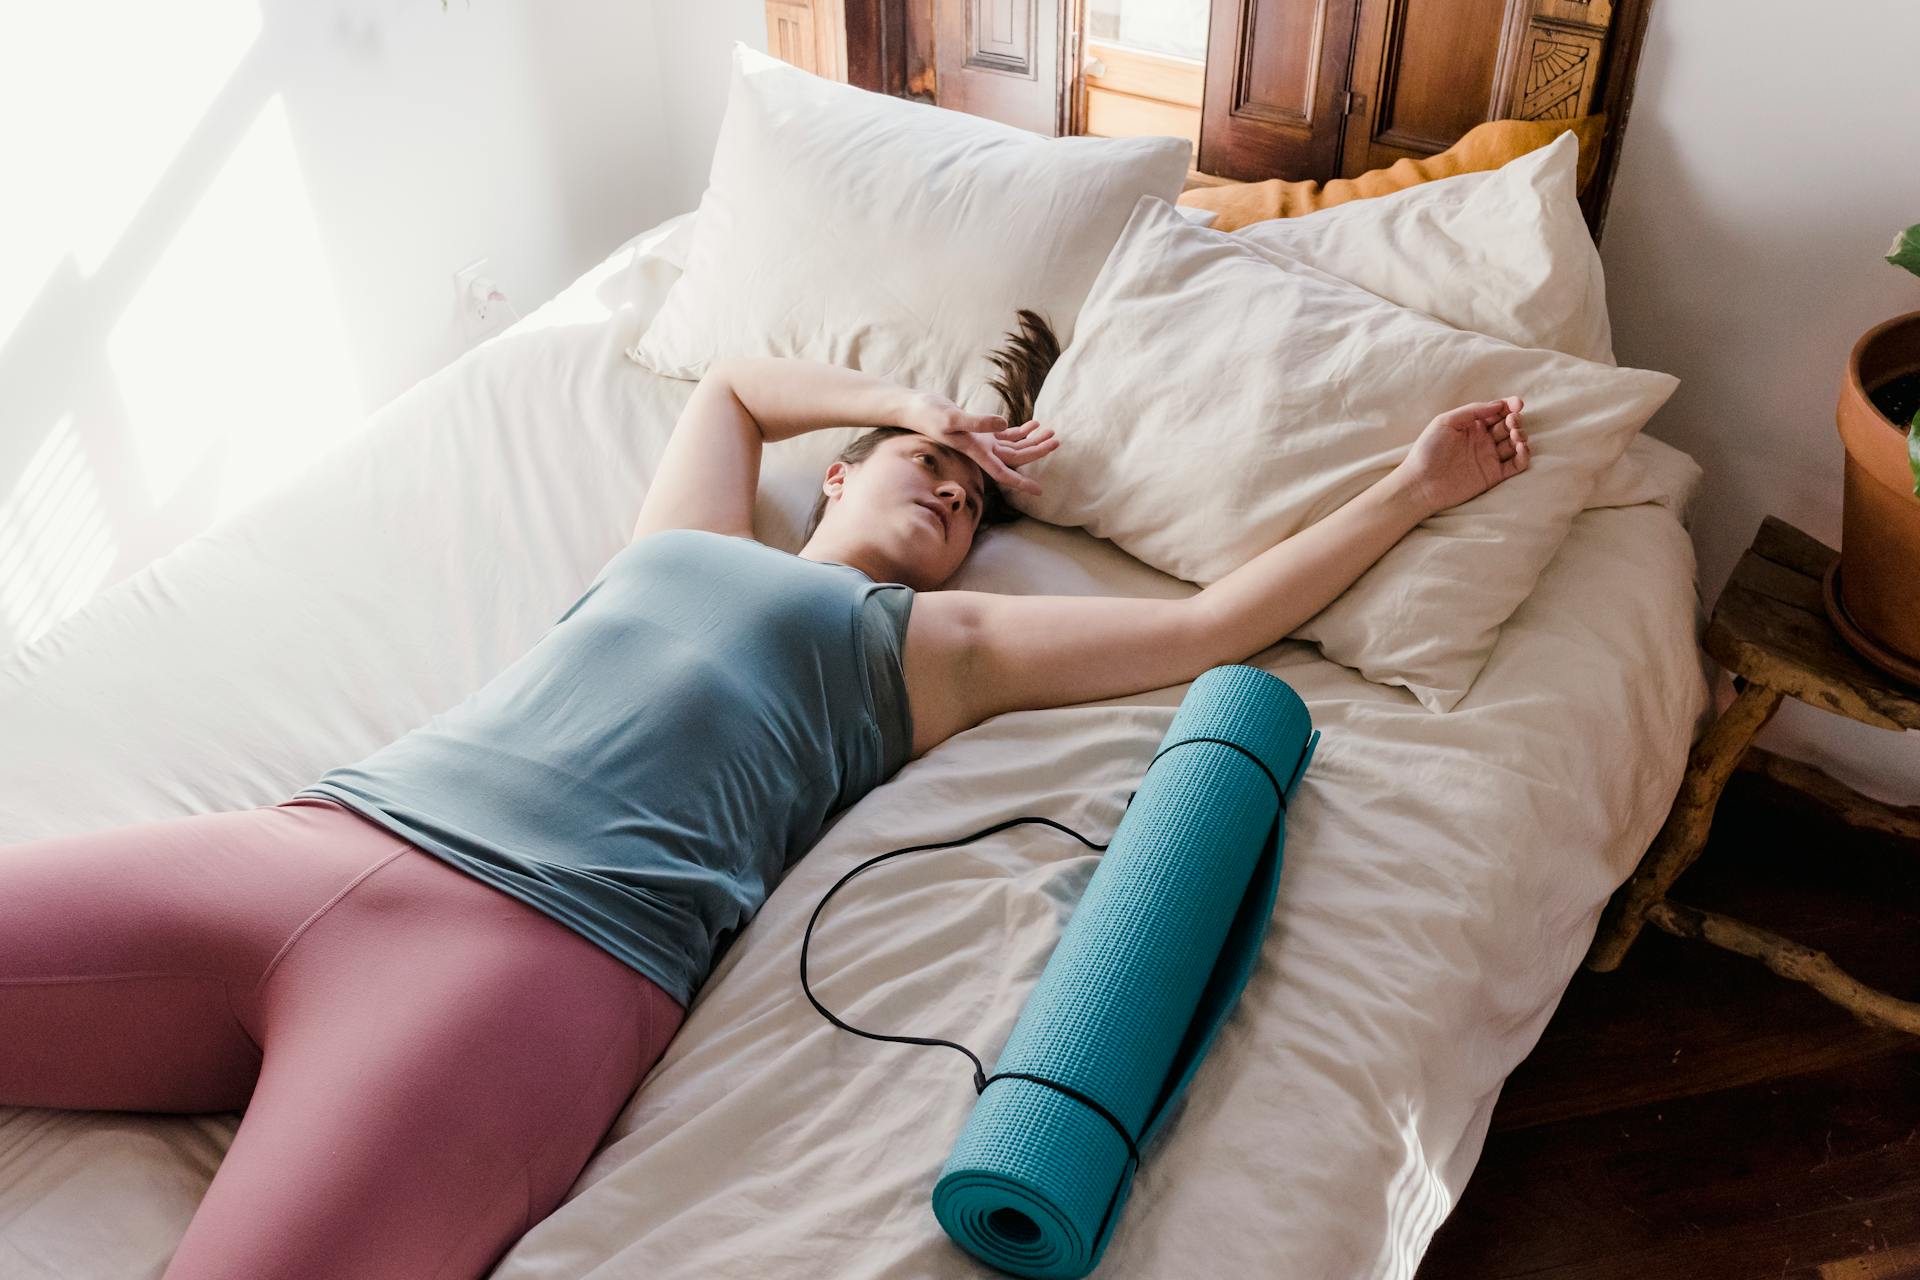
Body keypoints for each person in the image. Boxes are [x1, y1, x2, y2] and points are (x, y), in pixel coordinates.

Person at [0, 308, 1527, 1280]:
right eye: (926, 467)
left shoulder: (932, 647)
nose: (950, 494)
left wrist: (1410, 487)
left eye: (975, 507)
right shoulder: (687, 539)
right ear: (840, 469)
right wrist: (925, 398)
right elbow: (730, 385)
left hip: (527, 966)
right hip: (318, 843)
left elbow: (1209, 629)